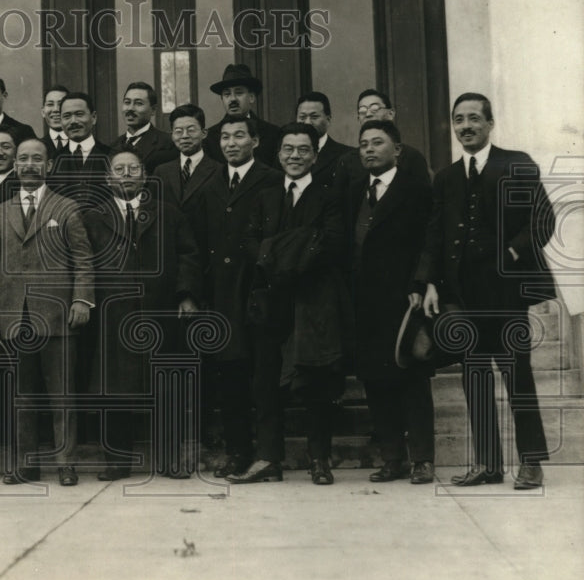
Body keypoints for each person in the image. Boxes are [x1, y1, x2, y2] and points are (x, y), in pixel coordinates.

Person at [418, 93, 555, 489]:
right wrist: (428, 282)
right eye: (459, 120)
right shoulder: (445, 178)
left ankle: (531, 462)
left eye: (474, 118)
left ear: (490, 123)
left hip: (507, 292)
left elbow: (543, 218)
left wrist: (512, 252)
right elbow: (434, 234)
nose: (466, 126)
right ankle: (488, 465)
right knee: (474, 377)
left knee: (518, 376)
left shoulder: (516, 164)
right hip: (462, 294)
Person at [231, 123, 348, 486]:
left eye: (302, 150)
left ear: (314, 155)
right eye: (288, 149)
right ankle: (268, 458)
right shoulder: (264, 197)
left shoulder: (329, 197)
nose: (294, 156)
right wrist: (291, 247)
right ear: (277, 154)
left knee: (315, 382)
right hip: (270, 303)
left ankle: (319, 459)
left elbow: (328, 246)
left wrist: (275, 252)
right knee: (265, 383)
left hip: (312, 302)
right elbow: (248, 242)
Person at [0, 138, 94, 486]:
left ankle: (65, 463)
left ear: (49, 166)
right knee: (22, 395)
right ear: (14, 166)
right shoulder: (1, 211)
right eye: (23, 159)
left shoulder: (67, 208)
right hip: (14, 316)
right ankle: (25, 464)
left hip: (57, 316)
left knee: (62, 394)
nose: (29, 165)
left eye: (37, 159)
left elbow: (84, 260)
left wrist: (81, 299)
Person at [82, 150, 201, 480]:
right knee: (113, 388)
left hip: (159, 311)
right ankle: (117, 460)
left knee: (165, 386)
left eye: (133, 168)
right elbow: (83, 266)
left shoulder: (168, 214)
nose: (126, 174)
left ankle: (170, 458)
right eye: (119, 169)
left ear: (145, 176)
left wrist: (186, 296)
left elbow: (189, 257)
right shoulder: (94, 217)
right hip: (113, 315)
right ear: (108, 179)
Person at [347, 121, 435, 484]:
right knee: (375, 381)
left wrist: (420, 282)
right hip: (364, 303)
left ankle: (422, 460)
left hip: (403, 299)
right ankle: (392, 458)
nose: (369, 149)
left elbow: (430, 240)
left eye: (378, 143)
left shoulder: (415, 189)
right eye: (363, 144)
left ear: (397, 150)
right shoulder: (354, 190)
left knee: (410, 379)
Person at [195, 114, 282, 479]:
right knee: (230, 378)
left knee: (263, 379)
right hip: (222, 297)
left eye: (239, 136)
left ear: (255, 141)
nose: (231, 143)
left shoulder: (272, 180)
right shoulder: (211, 182)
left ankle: (268, 456)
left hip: (258, 293)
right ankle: (238, 452)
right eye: (226, 137)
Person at [339, 89, 431, 186]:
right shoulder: (347, 161)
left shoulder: (412, 157)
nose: (368, 114)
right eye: (362, 111)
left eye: (375, 109)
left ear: (391, 114)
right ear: (359, 119)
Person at [204, 63, 281, 167]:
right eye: (227, 94)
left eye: (239, 93)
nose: (233, 99)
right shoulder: (210, 137)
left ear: (251, 97)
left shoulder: (273, 133)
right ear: (222, 99)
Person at [50, 91, 114, 210]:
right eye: (67, 116)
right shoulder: (54, 159)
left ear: (93, 118)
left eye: (79, 114)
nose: (73, 121)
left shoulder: (111, 156)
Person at [295, 91, 354, 190]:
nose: (308, 122)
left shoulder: (347, 155)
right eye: (302, 117)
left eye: (314, 117)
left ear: (328, 119)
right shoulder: (286, 155)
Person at [110, 81, 176, 171]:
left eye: (138, 103)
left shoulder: (168, 144)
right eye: (127, 102)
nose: (130, 108)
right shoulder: (113, 146)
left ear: (153, 110)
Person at [40, 84, 70, 159]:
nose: (56, 109)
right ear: (43, 112)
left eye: (61, 104)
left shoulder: (82, 145)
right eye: (50, 104)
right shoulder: (37, 146)